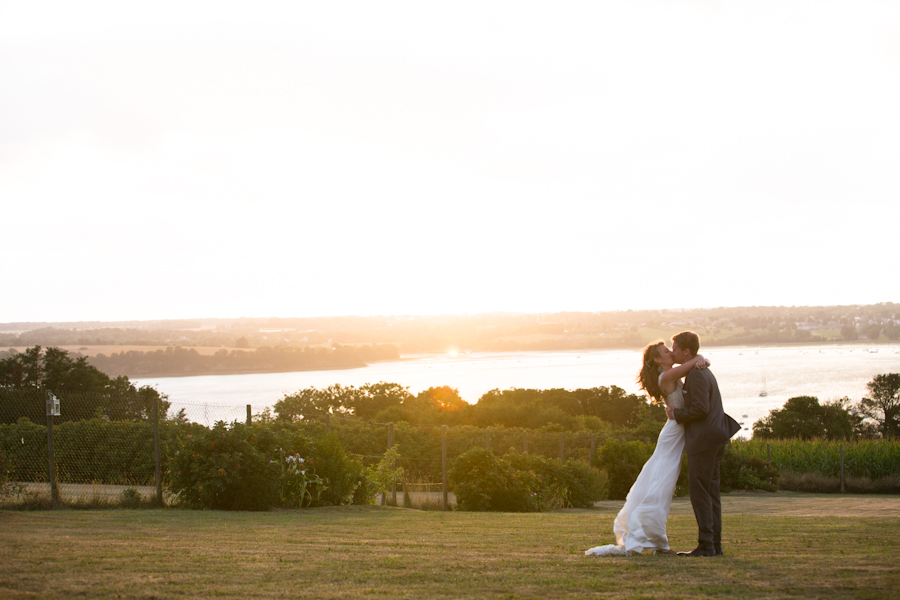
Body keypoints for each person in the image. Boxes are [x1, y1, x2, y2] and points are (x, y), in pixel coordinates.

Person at [585, 340, 709, 556]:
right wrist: (700, 359)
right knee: (660, 487)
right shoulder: (667, 376)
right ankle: (657, 543)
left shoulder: (670, 374)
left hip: (675, 432)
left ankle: (656, 542)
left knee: (660, 485)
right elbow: (696, 361)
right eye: (665, 351)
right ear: (658, 360)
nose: (670, 352)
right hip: (673, 435)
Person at [665, 331, 740, 557]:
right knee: (711, 492)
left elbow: (700, 409)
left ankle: (707, 544)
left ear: (686, 351)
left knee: (700, 493)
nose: (673, 352)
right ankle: (714, 544)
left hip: (704, 440)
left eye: (675, 348)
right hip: (715, 437)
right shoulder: (703, 370)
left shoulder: (696, 375)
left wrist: (676, 413)